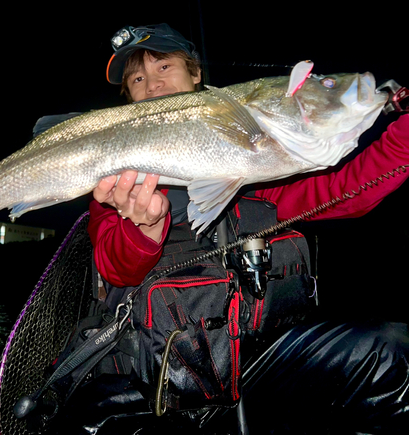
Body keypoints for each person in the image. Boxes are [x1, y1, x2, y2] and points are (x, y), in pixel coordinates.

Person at [87, 24, 409, 433]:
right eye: (137, 79)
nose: (152, 84)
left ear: (196, 73)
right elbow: (114, 268)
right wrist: (144, 227)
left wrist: (404, 139)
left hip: (260, 367)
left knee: (391, 351)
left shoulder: (260, 166)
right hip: (159, 385)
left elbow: (344, 190)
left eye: (164, 66)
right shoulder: (115, 173)